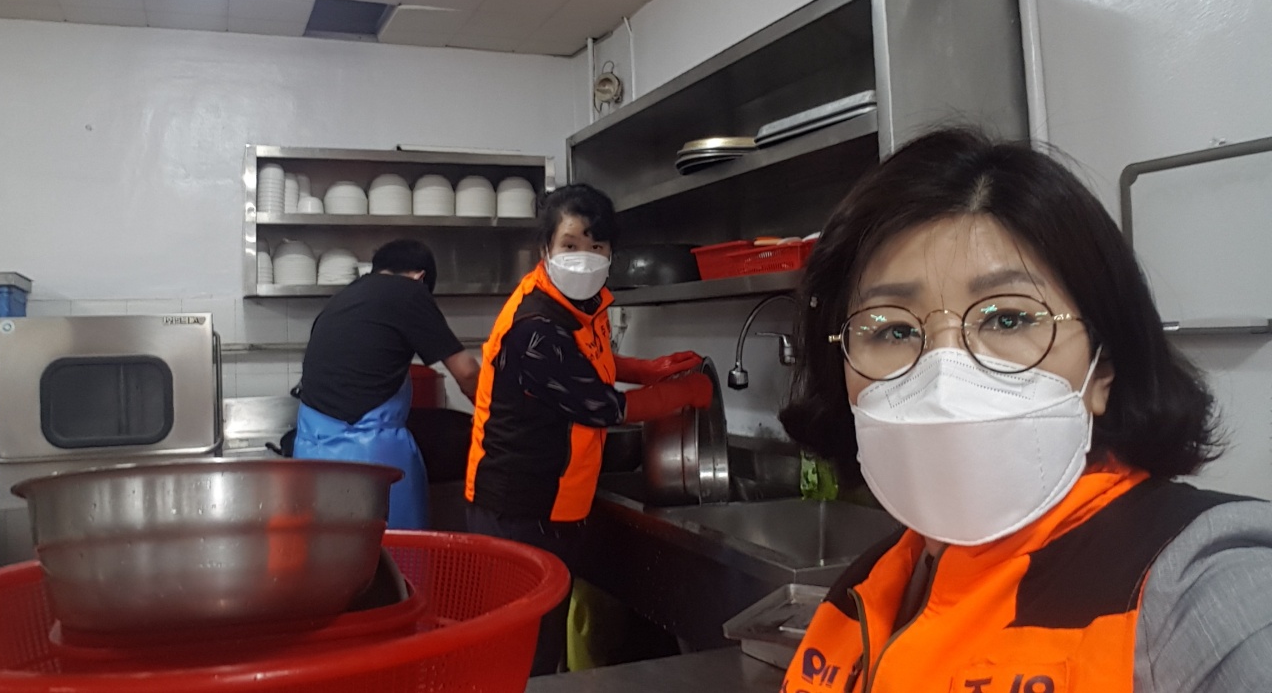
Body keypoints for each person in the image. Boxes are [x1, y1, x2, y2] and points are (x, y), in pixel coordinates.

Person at [777, 127, 1272, 692]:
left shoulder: (1195, 582)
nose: (944, 378)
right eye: (892, 329)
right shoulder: (870, 584)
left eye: (1007, 319)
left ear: (1102, 368)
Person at [463, 183, 715, 676]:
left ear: (610, 253)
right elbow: (603, 407)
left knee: (542, 642)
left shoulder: (579, 302)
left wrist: (647, 369)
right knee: (525, 653)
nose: (584, 256)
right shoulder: (534, 327)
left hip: (552, 504)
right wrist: (685, 393)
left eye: (596, 245)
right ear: (546, 249)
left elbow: (587, 362)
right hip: (520, 507)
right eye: (570, 244)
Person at [293, 239, 479, 530]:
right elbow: (466, 372)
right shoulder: (409, 292)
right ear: (420, 277)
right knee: (393, 552)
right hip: (369, 459)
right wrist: (494, 418)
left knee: (331, 551)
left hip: (310, 454)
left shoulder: (343, 298)